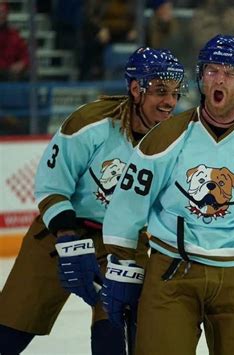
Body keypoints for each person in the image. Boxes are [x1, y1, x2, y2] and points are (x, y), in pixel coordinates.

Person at [100, 34, 234, 355]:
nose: (219, 79)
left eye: (231, 73)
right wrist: (121, 263)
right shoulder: (166, 137)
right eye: (212, 71)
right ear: (201, 77)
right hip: (172, 273)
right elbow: (128, 203)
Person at [0, 47, 186, 354]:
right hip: (59, 236)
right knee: (8, 335)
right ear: (136, 88)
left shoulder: (173, 140)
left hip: (124, 243)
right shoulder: (90, 124)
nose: (170, 101)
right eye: (160, 91)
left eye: (175, 92)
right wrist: (67, 238)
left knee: (115, 337)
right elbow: (52, 186)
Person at [0, 2, 29, 81]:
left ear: (7, 14)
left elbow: (26, 57)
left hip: (9, 73)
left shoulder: (14, 35)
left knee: (28, 75)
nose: (1, 15)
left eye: (3, 12)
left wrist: (22, 64)